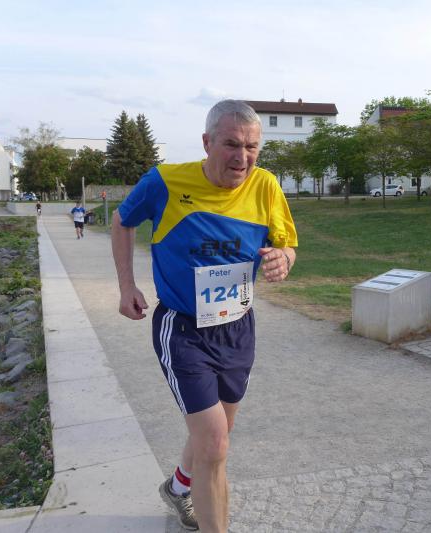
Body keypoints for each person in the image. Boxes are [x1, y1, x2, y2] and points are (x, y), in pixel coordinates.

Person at [111, 100, 297, 532]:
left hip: (238, 328)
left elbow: (287, 244)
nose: (242, 157)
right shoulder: (164, 181)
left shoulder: (266, 185)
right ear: (207, 142)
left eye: (252, 147)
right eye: (231, 144)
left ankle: (178, 488)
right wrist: (126, 285)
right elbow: (122, 221)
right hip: (184, 329)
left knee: (215, 436)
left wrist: (284, 259)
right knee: (214, 444)